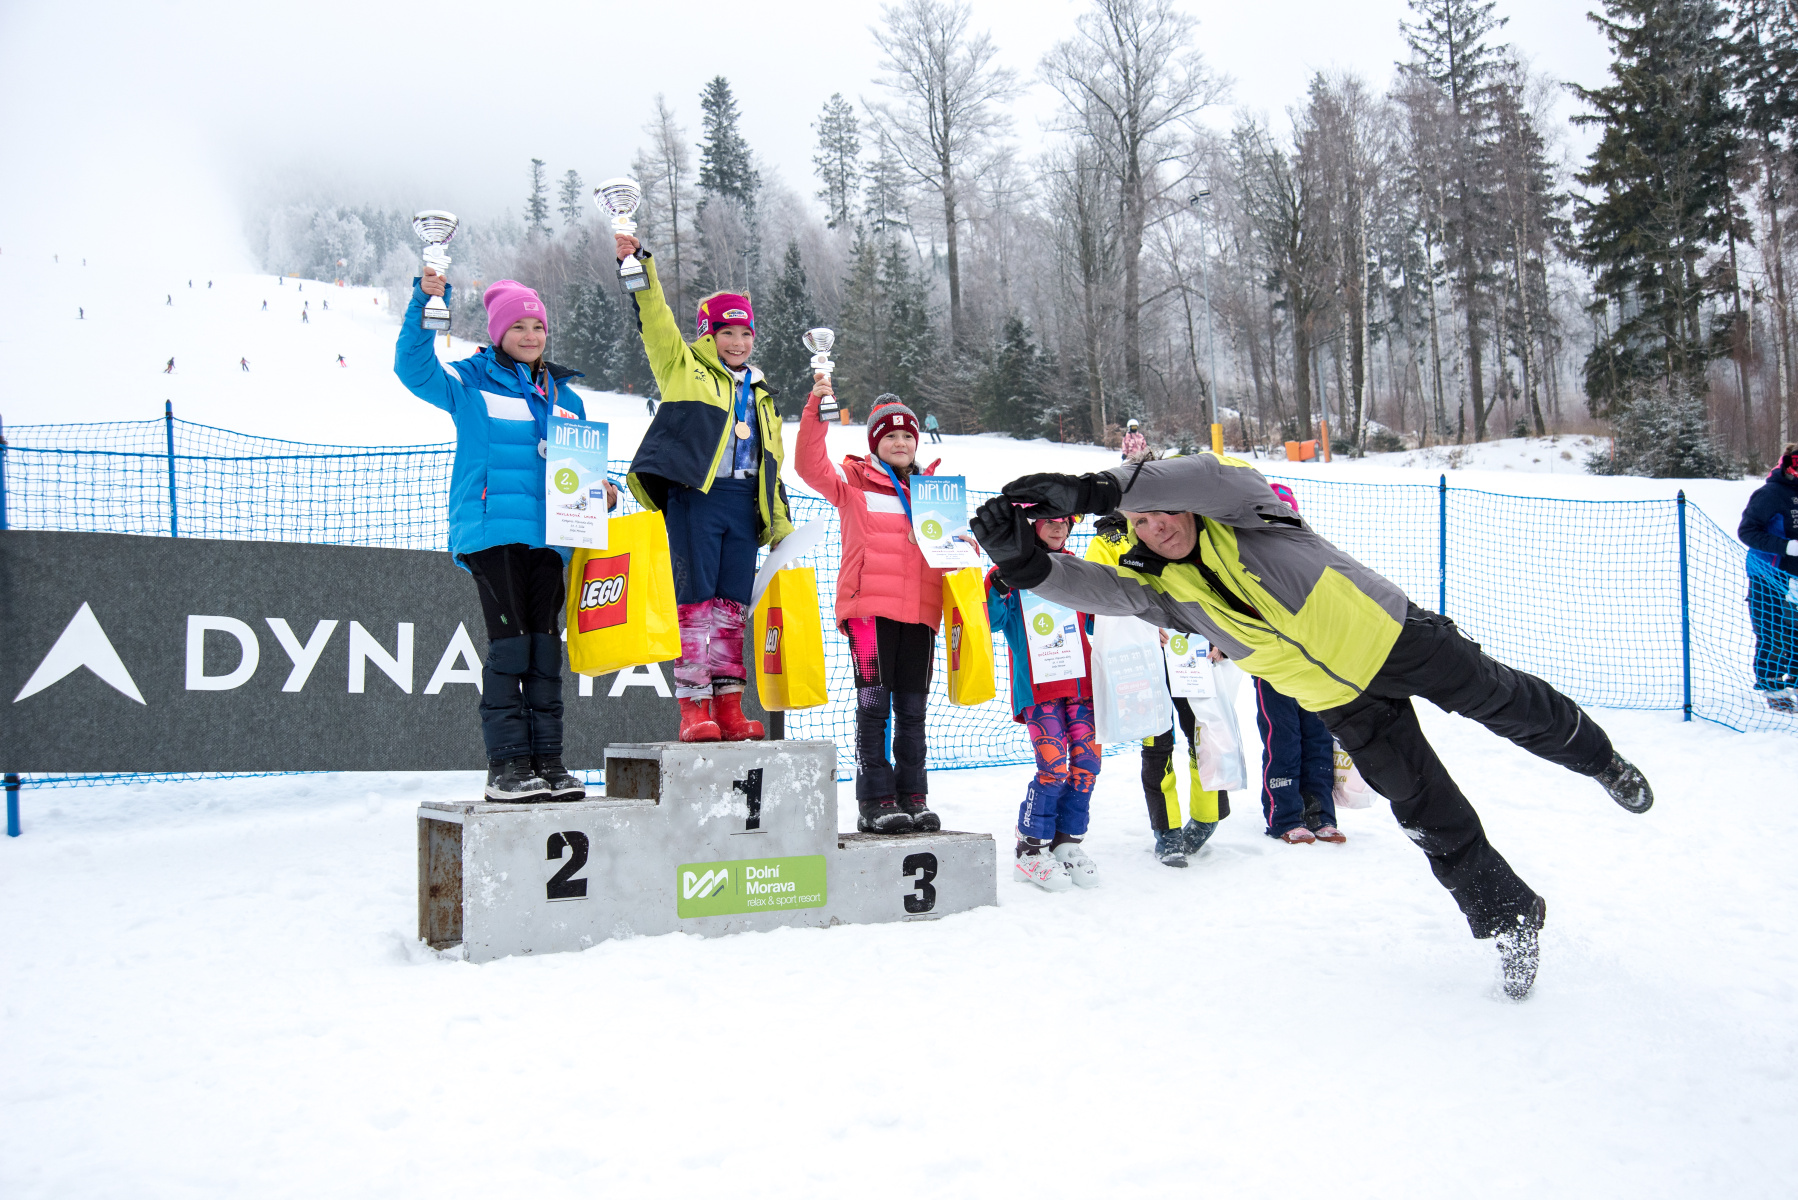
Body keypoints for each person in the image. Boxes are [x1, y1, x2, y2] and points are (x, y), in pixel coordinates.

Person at [971, 452, 1655, 999]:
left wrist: (1096, 488)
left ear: (1185, 505)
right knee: (1424, 808)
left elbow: (1206, 473)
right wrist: (1024, 564)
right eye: (1142, 523)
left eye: (1164, 513)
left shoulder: (1249, 510)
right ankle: (1510, 921)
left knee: (1506, 702)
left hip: (1395, 637)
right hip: (1338, 699)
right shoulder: (1162, 591)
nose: (1159, 529)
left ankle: (1601, 760)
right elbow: (1092, 588)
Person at [393, 264, 617, 802]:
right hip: (492, 532)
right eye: (518, 327)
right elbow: (413, 368)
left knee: (544, 650)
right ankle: (507, 767)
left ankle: (550, 762)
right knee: (511, 649)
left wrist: (603, 490)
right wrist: (426, 304)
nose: (530, 335)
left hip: (551, 538)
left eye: (538, 326)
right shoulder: (469, 382)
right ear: (497, 332)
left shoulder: (566, 397)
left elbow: (579, 468)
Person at [613, 231, 795, 742]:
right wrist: (640, 268)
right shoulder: (682, 365)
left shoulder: (761, 393)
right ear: (707, 335)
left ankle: (729, 705)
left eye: (745, 334)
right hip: (696, 499)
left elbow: (773, 464)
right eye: (726, 333)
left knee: (732, 609)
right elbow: (656, 320)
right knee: (695, 606)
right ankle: (694, 707)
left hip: (744, 508)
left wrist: (780, 526)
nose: (737, 343)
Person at [795, 387, 951, 834]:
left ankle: (913, 795)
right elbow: (808, 466)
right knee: (873, 705)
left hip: (921, 613)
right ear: (874, 442)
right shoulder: (853, 480)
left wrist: (965, 546)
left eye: (908, 435)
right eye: (890, 436)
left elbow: (951, 552)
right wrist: (816, 411)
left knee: (913, 711)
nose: (901, 443)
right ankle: (875, 800)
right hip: (869, 613)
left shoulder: (933, 491)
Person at [1085, 511, 1227, 867]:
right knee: (1156, 742)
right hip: (1144, 657)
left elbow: (1218, 585)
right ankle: (1167, 830)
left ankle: (1207, 816)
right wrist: (1140, 621)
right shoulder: (1106, 542)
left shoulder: (1186, 526)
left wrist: (1223, 636)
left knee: (1204, 734)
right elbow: (1095, 603)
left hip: (1193, 648)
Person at [986, 515, 1101, 889]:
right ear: (1031, 525)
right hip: (1039, 689)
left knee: (1087, 764)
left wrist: (1138, 622)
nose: (1059, 528)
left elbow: (1096, 621)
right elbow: (991, 621)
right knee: (1053, 767)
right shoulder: (1009, 570)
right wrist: (999, 587)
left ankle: (1067, 842)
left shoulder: (1076, 569)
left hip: (1082, 685)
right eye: (1049, 521)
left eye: (1065, 522)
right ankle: (1031, 848)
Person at [1251, 482, 1343, 845]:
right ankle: (1285, 816)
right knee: (1283, 738)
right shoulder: (1248, 558)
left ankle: (1320, 815)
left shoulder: (1311, 554)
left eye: (1286, 515)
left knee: (1318, 737)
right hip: (1273, 665)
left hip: (1315, 663)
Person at [1737, 445, 1798, 711]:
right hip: (1768, 573)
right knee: (1772, 631)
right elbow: (1747, 531)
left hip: (1795, 576)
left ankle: (1795, 680)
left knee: (1795, 631)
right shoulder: (1770, 494)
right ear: (1788, 466)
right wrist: (1786, 547)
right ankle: (1773, 688)